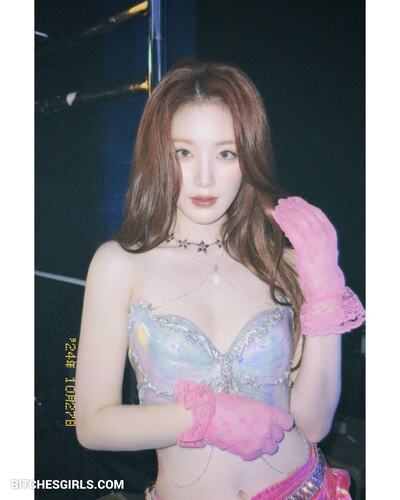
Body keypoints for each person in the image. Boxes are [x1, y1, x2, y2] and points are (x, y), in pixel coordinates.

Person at [75, 59, 365, 500]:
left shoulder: (283, 263)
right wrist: (203, 417)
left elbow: (312, 424)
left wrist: (325, 285)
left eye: (226, 153)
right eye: (184, 152)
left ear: (248, 157)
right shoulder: (119, 265)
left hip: (305, 488)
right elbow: (92, 424)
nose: (204, 177)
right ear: (159, 155)